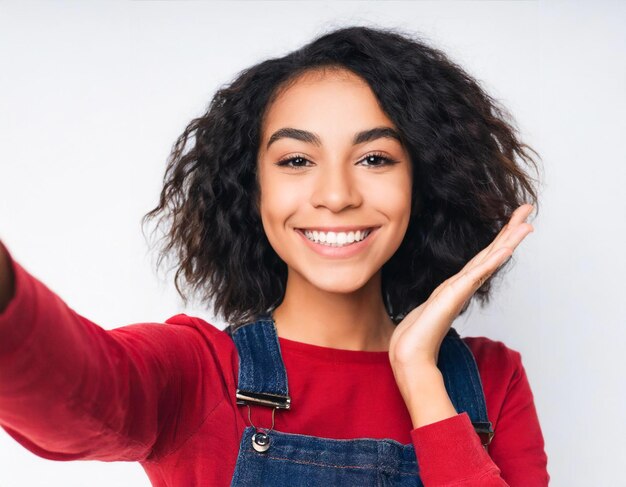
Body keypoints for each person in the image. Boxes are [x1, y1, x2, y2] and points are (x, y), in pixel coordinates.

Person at [0, 25, 549, 486]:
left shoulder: (491, 381)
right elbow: (78, 397)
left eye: (376, 158)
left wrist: (420, 376)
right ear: (251, 187)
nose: (336, 195)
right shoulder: (202, 374)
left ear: (424, 183)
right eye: (295, 160)